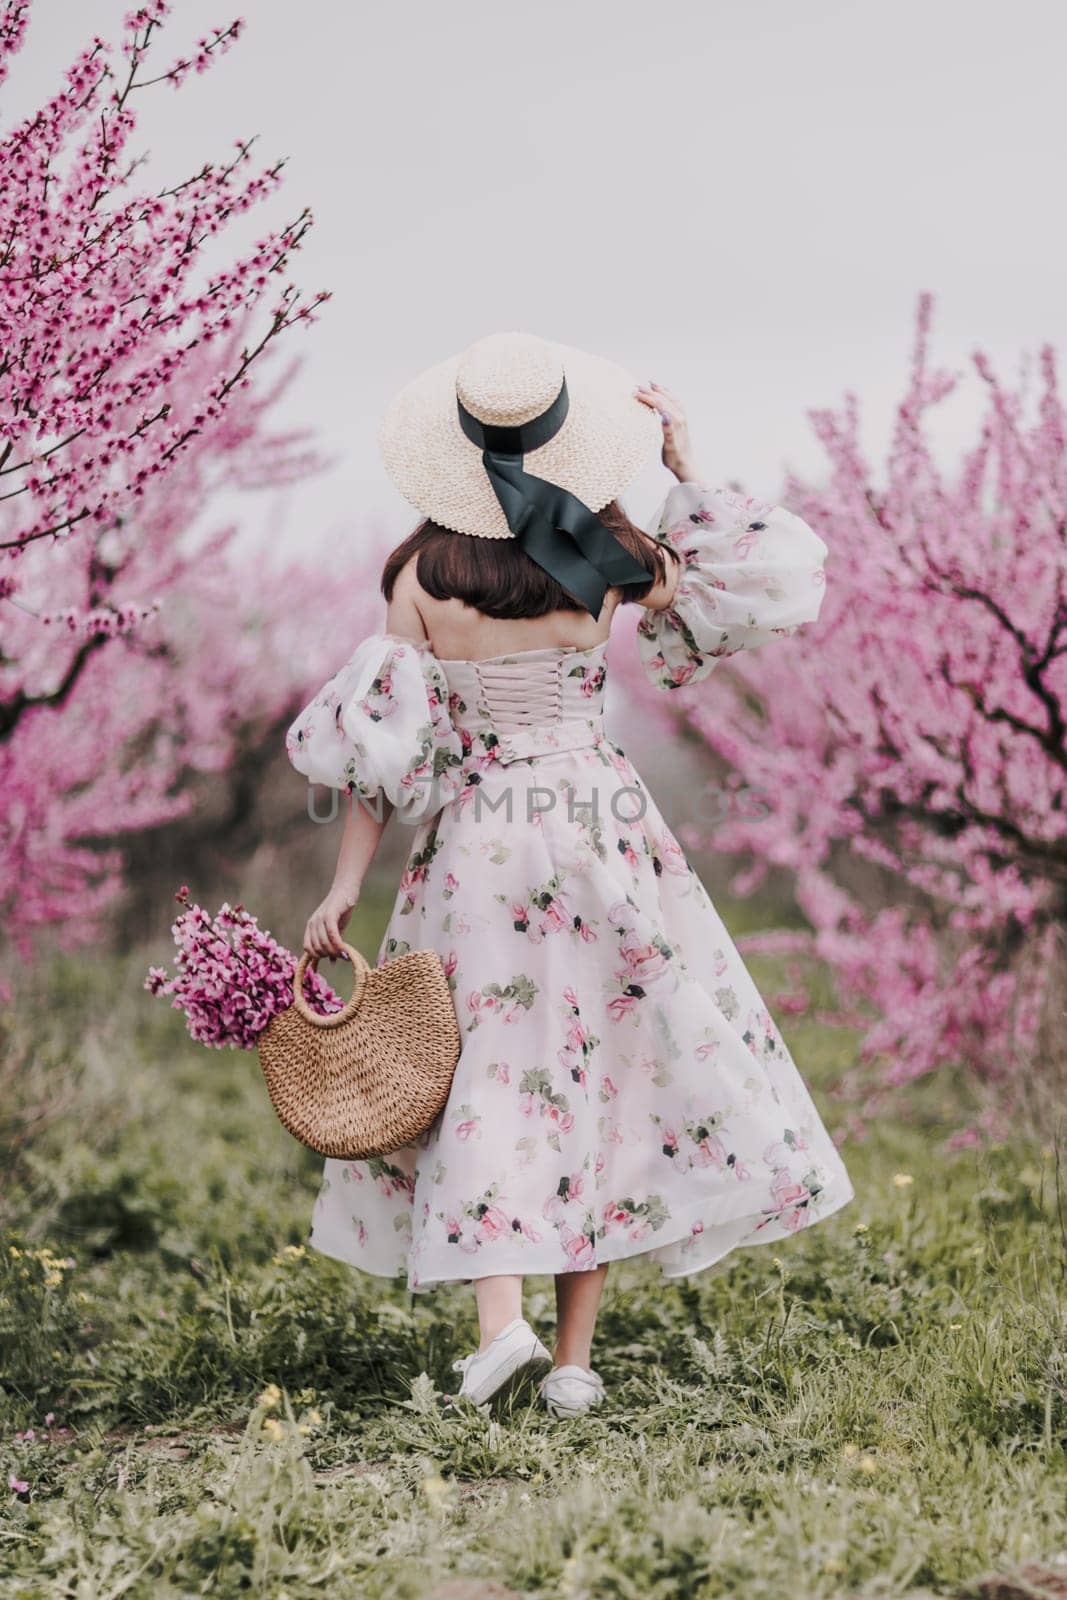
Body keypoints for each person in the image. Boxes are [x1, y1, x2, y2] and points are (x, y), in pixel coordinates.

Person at [286, 332, 854, 1418]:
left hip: (476, 845)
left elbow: (377, 755)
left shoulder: (417, 576)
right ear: (565, 442)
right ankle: (572, 1365)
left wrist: (342, 884)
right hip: (598, 830)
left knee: (487, 1069)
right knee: (599, 1068)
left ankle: (501, 1323)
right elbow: (767, 580)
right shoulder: (607, 557)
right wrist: (685, 462)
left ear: (454, 453)